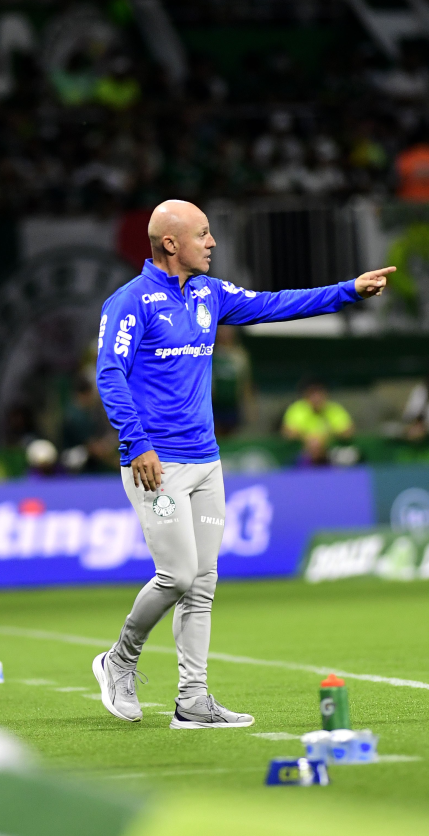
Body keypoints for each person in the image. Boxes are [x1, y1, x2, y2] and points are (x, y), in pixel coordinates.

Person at [94, 199, 394, 728]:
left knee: (203, 582)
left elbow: (275, 305)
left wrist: (349, 290)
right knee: (178, 574)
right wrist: (136, 442)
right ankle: (119, 659)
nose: (212, 243)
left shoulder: (211, 293)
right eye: (203, 234)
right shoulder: (131, 302)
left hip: (206, 461)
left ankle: (192, 699)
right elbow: (109, 374)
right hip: (155, 462)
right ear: (170, 243)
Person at [281, 380, 355, 466]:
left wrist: (324, 439)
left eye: (319, 394)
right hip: (303, 454)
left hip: (330, 453)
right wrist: (308, 439)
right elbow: (288, 433)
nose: (316, 398)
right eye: (312, 394)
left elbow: (348, 432)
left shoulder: (334, 409)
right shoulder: (297, 409)